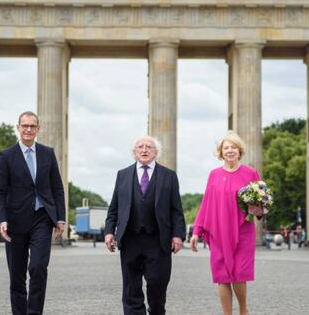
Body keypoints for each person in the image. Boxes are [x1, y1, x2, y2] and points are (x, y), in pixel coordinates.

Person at [0, 111, 66, 315]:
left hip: (42, 218)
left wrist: (60, 217)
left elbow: (57, 187)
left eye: (32, 126)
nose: (28, 129)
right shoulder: (6, 156)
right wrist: (2, 220)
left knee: (38, 267)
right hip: (15, 221)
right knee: (17, 276)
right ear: (18, 128)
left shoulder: (47, 153)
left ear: (38, 129)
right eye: (24, 126)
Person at [104, 135, 185, 315]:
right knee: (131, 288)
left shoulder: (169, 176)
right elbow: (114, 207)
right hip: (130, 238)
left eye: (149, 147)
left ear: (156, 152)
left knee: (157, 284)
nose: (144, 150)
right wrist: (109, 232)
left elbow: (176, 209)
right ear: (134, 152)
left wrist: (178, 235)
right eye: (140, 147)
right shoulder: (122, 175)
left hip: (158, 240)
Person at [189, 131, 261, 315]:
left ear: (239, 151)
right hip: (218, 233)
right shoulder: (214, 174)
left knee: (238, 275)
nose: (230, 151)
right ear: (221, 152)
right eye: (226, 148)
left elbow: (261, 203)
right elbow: (206, 204)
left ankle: (243, 310)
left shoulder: (251, 173)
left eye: (233, 147)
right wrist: (197, 231)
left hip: (242, 231)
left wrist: (258, 209)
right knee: (222, 277)